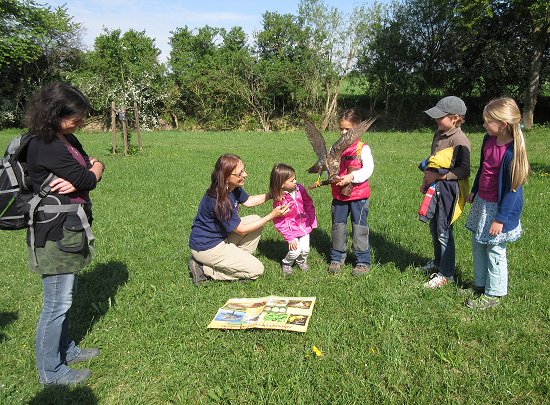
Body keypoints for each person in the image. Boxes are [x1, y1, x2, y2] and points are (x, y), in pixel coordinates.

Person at [25, 82, 105, 385]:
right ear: (54, 114)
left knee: (65, 298)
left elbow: (90, 168)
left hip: (70, 227)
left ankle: (67, 351)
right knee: (56, 303)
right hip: (55, 233)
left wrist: (93, 169)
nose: (80, 122)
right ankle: (50, 372)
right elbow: (87, 175)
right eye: (75, 116)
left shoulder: (65, 137)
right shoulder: (44, 144)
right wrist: (89, 174)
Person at [464, 98, 529, 309]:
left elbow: (512, 191)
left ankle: (494, 294)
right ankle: (480, 285)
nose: (483, 125)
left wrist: (500, 219)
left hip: (499, 209)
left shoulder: (512, 153)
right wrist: (474, 190)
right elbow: (483, 169)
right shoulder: (488, 139)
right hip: (483, 203)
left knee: (495, 250)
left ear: (502, 124)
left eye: (487, 121)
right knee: (478, 245)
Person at [188, 154, 290, 284]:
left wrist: (271, 195)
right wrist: (272, 215)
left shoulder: (231, 188)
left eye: (244, 169)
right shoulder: (220, 200)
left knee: (255, 219)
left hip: (220, 238)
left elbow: (248, 201)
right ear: (226, 177)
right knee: (257, 270)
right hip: (207, 248)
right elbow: (241, 230)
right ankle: (205, 269)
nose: (245, 174)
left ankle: (235, 262)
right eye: (240, 173)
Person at [421, 96, 471, 288]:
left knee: (444, 230)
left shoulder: (460, 140)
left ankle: (447, 273)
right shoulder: (439, 133)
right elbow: (433, 161)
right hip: (435, 189)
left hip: (450, 191)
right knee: (434, 228)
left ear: (455, 118)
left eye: (440, 117)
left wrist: (439, 178)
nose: (436, 120)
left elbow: (464, 170)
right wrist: (427, 180)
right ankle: (437, 262)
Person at [328, 109, 374, 276]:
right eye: (341, 128)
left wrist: (351, 177)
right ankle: (337, 258)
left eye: (348, 129)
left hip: (358, 197)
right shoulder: (335, 147)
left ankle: (362, 261)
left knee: (359, 227)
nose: (343, 132)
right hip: (339, 195)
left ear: (357, 129)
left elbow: (368, 170)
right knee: (338, 226)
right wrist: (333, 177)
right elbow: (330, 166)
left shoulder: (362, 148)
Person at [269, 163, 317, 275]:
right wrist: (290, 238)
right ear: (281, 184)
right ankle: (286, 263)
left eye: (295, 179)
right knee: (295, 251)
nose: (295, 182)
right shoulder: (279, 200)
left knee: (305, 249)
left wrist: (312, 218)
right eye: (292, 180)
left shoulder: (300, 189)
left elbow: (308, 203)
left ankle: (301, 261)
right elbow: (279, 221)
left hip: (304, 225)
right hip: (291, 229)